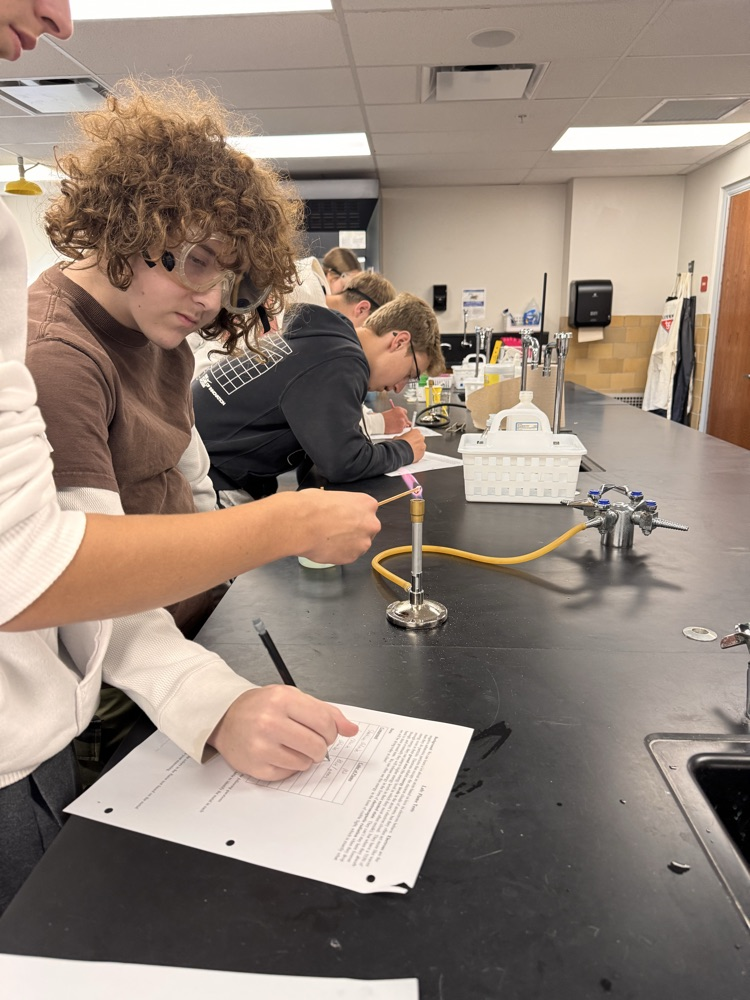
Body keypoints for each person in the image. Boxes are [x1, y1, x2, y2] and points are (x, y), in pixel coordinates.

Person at [0, 6, 379, 914]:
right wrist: (275, 532)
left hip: (100, 685)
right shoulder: (61, 355)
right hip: (82, 690)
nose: (211, 304)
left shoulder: (157, 334)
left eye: (228, 280)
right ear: (126, 228)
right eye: (194, 267)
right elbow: (65, 584)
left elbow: (187, 486)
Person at [193, 293, 445, 500]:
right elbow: (344, 463)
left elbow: (328, 449)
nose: (398, 388)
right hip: (207, 478)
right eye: (409, 374)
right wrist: (404, 449)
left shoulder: (324, 340)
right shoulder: (342, 361)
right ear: (400, 342)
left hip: (206, 459)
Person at [323, 272, 411, 436]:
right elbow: (330, 425)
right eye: (371, 328)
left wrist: (367, 416)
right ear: (362, 309)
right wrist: (381, 423)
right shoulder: (315, 333)